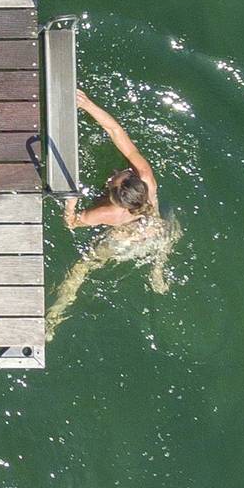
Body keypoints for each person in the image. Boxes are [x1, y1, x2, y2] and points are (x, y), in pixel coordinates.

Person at [48, 89, 179, 340]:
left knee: (80, 269)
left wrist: (71, 205)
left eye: (111, 183)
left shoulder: (108, 214)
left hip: (124, 237)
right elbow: (117, 132)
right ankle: (158, 269)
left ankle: (54, 318)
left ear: (116, 200)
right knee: (169, 228)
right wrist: (88, 104)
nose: (110, 178)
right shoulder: (146, 178)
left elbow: (71, 225)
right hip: (155, 230)